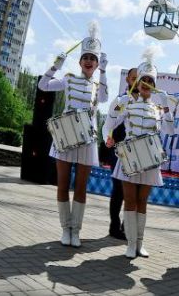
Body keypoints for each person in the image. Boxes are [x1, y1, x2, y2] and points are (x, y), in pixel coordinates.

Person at [38, 22, 109, 247]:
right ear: (79, 61)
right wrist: (55, 65)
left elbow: (106, 99)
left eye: (93, 59)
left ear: (97, 64)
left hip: (86, 139)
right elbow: (43, 85)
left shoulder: (98, 85)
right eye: (85, 57)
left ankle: (76, 230)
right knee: (62, 184)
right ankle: (65, 229)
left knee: (80, 185)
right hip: (65, 136)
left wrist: (105, 72)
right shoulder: (68, 79)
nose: (89, 61)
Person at [102, 52, 174, 259]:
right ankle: (130, 244)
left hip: (150, 160)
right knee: (131, 200)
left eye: (151, 81)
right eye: (144, 80)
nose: (147, 83)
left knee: (142, 202)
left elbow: (169, 131)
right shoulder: (126, 101)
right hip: (130, 158)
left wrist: (166, 106)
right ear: (138, 82)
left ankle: (139, 244)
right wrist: (108, 136)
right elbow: (109, 122)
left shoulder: (158, 108)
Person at [102, 67, 137, 240]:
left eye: (140, 78)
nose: (137, 82)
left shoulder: (148, 104)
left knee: (135, 191)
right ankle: (114, 227)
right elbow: (108, 124)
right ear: (128, 80)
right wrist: (107, 138)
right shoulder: (120, 100)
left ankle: (127, 226)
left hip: (137, 153)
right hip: (119, 152)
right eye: (133, 78)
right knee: (118, 190)